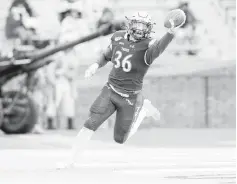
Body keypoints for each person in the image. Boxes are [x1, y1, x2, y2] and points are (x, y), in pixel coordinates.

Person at [58, 11, 184, 168]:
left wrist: (170, 33)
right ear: (130, 25)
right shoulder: (118, 37)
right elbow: (106, 56)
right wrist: (95, 65)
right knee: (90, 124)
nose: (139, 29)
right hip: (110, 90)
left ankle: (143, 110)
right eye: (137, 24)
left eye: (143, 26)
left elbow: (158, 48)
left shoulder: (148, 46)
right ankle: (70, 160)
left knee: (120, 139)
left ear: (148, 29)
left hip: (129, 97)